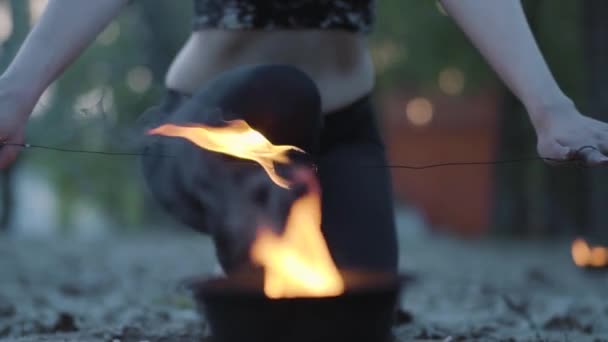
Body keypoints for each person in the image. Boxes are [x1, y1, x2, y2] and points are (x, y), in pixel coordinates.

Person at [1, 0, 607, 273]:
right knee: (286, 88)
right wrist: (15, 93)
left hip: (343, 132)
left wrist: (550, 107)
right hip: (210, 135)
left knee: (361, 308)